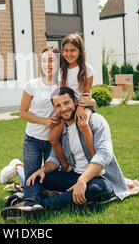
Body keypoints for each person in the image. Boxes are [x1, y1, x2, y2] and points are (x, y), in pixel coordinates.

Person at [1, 87, 128, 220]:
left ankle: (40, 206)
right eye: (58, 105)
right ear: (55, 109)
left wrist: (82, 180)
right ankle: (26, 190)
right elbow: (54, 159)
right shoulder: (62, 131)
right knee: (36, 177)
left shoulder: (95, 120)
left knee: (98, 188)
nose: (64, 108)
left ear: (75, 101)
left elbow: (104, 154)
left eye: (66, 103)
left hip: (98, 178)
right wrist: (44, 169)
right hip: (73, 176)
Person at [18, 46, 61, 204]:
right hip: (33, 140)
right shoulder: (31, 85)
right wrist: (44, 121)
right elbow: (22, 112)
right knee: (32, 180)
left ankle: (17, 169)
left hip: (53, 141)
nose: (47, 64)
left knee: (49, 179)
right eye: (43, 60)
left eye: (51, 60)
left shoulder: (63, 85)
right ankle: (31, 202)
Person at [49, 33, 96, 173]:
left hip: (83, 104)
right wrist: (59, 114)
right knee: (52, 137)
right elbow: (62, 92)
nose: (69, 54)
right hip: (67, 107)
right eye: (66, 51)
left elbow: (86, 93)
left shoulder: (87, 69)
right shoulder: (62, 70)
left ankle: (95, 161)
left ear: (80, 51)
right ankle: (65, 165)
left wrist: (80, 108)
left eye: (73, 50)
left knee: (82, 124)